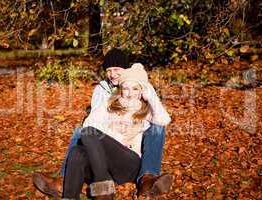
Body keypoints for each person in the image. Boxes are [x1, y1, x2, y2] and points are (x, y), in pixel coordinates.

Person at [32, 49, 173, 198]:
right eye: (109, 70)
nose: (112, 74)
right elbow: (92, 122)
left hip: (129, 156)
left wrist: (147, 102)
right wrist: (112, 128)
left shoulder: (143, 99)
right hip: (104, 149)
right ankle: (67, 187)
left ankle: (147, 177)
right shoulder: (106, 97)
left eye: (116, 69)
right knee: (79, 145)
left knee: (157, 128)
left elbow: (163, 119)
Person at [62, 63, 171, 199]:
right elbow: (89, 123)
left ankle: (103, 189)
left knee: (89, 134)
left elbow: (164, 120)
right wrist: (112, 131)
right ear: (121, 89)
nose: (130, 93)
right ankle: (69, 196)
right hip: (105, 165)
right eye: (125, 88)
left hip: (129, 163)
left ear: (142, 90)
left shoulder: (144, 109)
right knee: (77, 151)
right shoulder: (110, 104)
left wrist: (151, 99)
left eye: (135, 89)